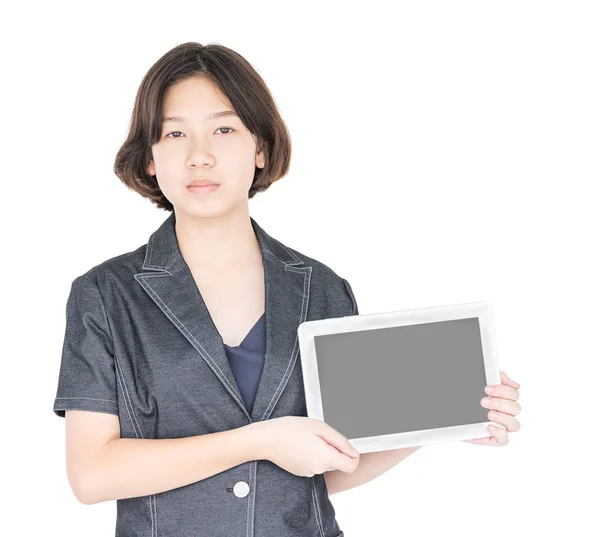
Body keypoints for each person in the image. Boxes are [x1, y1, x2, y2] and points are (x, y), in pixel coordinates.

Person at [53, 41, 361, 537]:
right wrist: (258, 441)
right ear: (150, 157)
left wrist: (449, 414)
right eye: (175, 133)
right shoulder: (105, 296)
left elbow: (331, 465)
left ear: (259, 148)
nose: (200, 156)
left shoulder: (323, 289)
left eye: (223, 129)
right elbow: (91, 474)